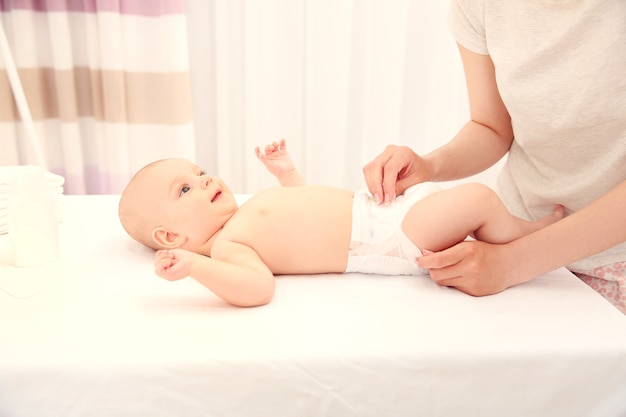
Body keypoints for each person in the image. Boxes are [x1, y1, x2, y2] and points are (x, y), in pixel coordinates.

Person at [362, 1, 626, 313]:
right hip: (515, 238)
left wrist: (515, 263)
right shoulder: (482, 5)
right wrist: (429, 166)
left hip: (609, 258)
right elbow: (492, 127)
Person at [118, 139, 563, 307]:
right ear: (170, 237)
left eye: (198, 172)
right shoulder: (227, 247)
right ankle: (531, 237)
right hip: (387, 237)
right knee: (479, 200)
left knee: (472, 205)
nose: (204, 179)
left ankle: (518, 233)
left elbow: (303, 211)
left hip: (383, 212)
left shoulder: (244, 214)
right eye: (185, 190)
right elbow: (258, 289)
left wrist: (286, 173)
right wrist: (195, 268)